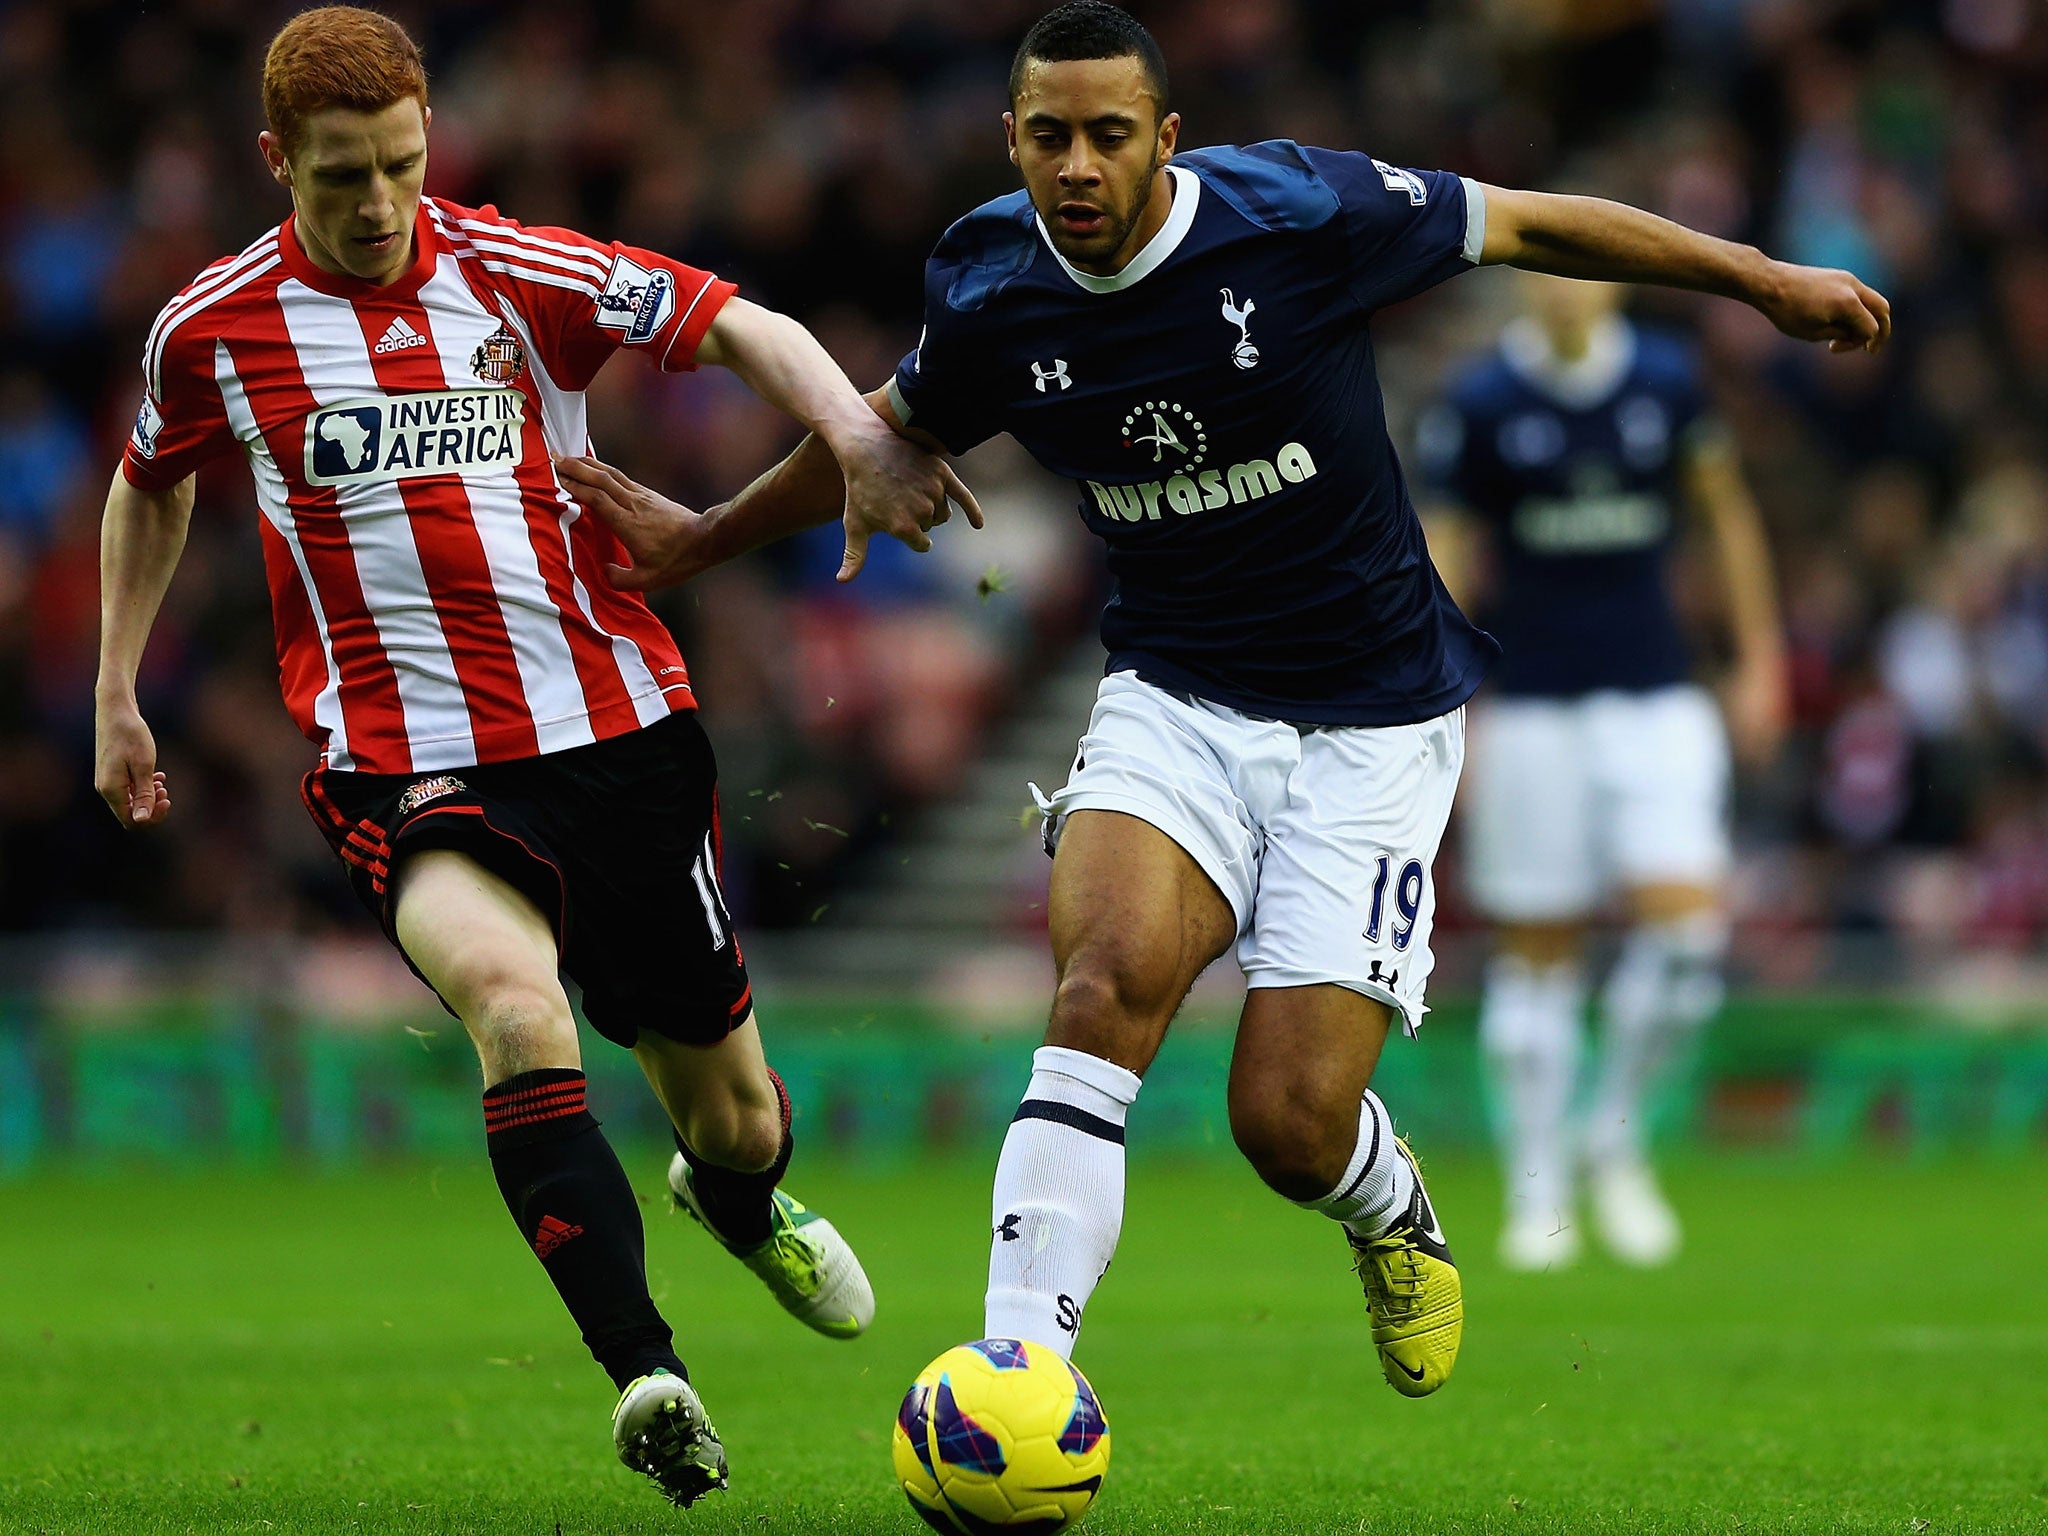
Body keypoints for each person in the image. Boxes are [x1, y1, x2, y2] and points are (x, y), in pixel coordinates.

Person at [555, 0, 1887, 1401]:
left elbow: (1529, 223)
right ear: (1011, 137)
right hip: (1175, 693)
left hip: (1374, 718)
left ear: (1165, 140)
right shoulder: (997, 283)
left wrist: (1760, 279)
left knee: (1288, 1126)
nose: (1076, 166)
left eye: (1109, 137)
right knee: (1101, 986)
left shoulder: (1295, 212)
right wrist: (705, 537)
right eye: (1048, 137)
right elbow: (891, 426)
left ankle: (1388, 1207)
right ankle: (1019, 1369)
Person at [91, 6, 971, 1508]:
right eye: (339, 178)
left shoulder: (515, 267)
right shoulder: (215, 327)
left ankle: (737, 1203)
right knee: (514, 1005)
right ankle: (646, 1370)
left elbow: (739, 320)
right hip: (404, 764)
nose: (376, 207)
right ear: (274, 161)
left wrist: (856, 433)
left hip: (622, 733)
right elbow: (150, 484)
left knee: (737, 1116)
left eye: (401, 166)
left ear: (434, 136)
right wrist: (118, 690)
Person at [1419, 274, 1787, 1270]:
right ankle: (1536, 1185)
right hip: (1532, 707)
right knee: (1537, 957)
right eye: (1544, 268)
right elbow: (1446, 556)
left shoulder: (1666, 384)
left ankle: (1611, 1135)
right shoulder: (1484, 400)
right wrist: (1436, 706)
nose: (1563, 290)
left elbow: (1727, 516)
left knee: (1685, 938)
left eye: (1579, 270)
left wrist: (1758, 657)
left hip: (1656, 697)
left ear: (1615, 280)